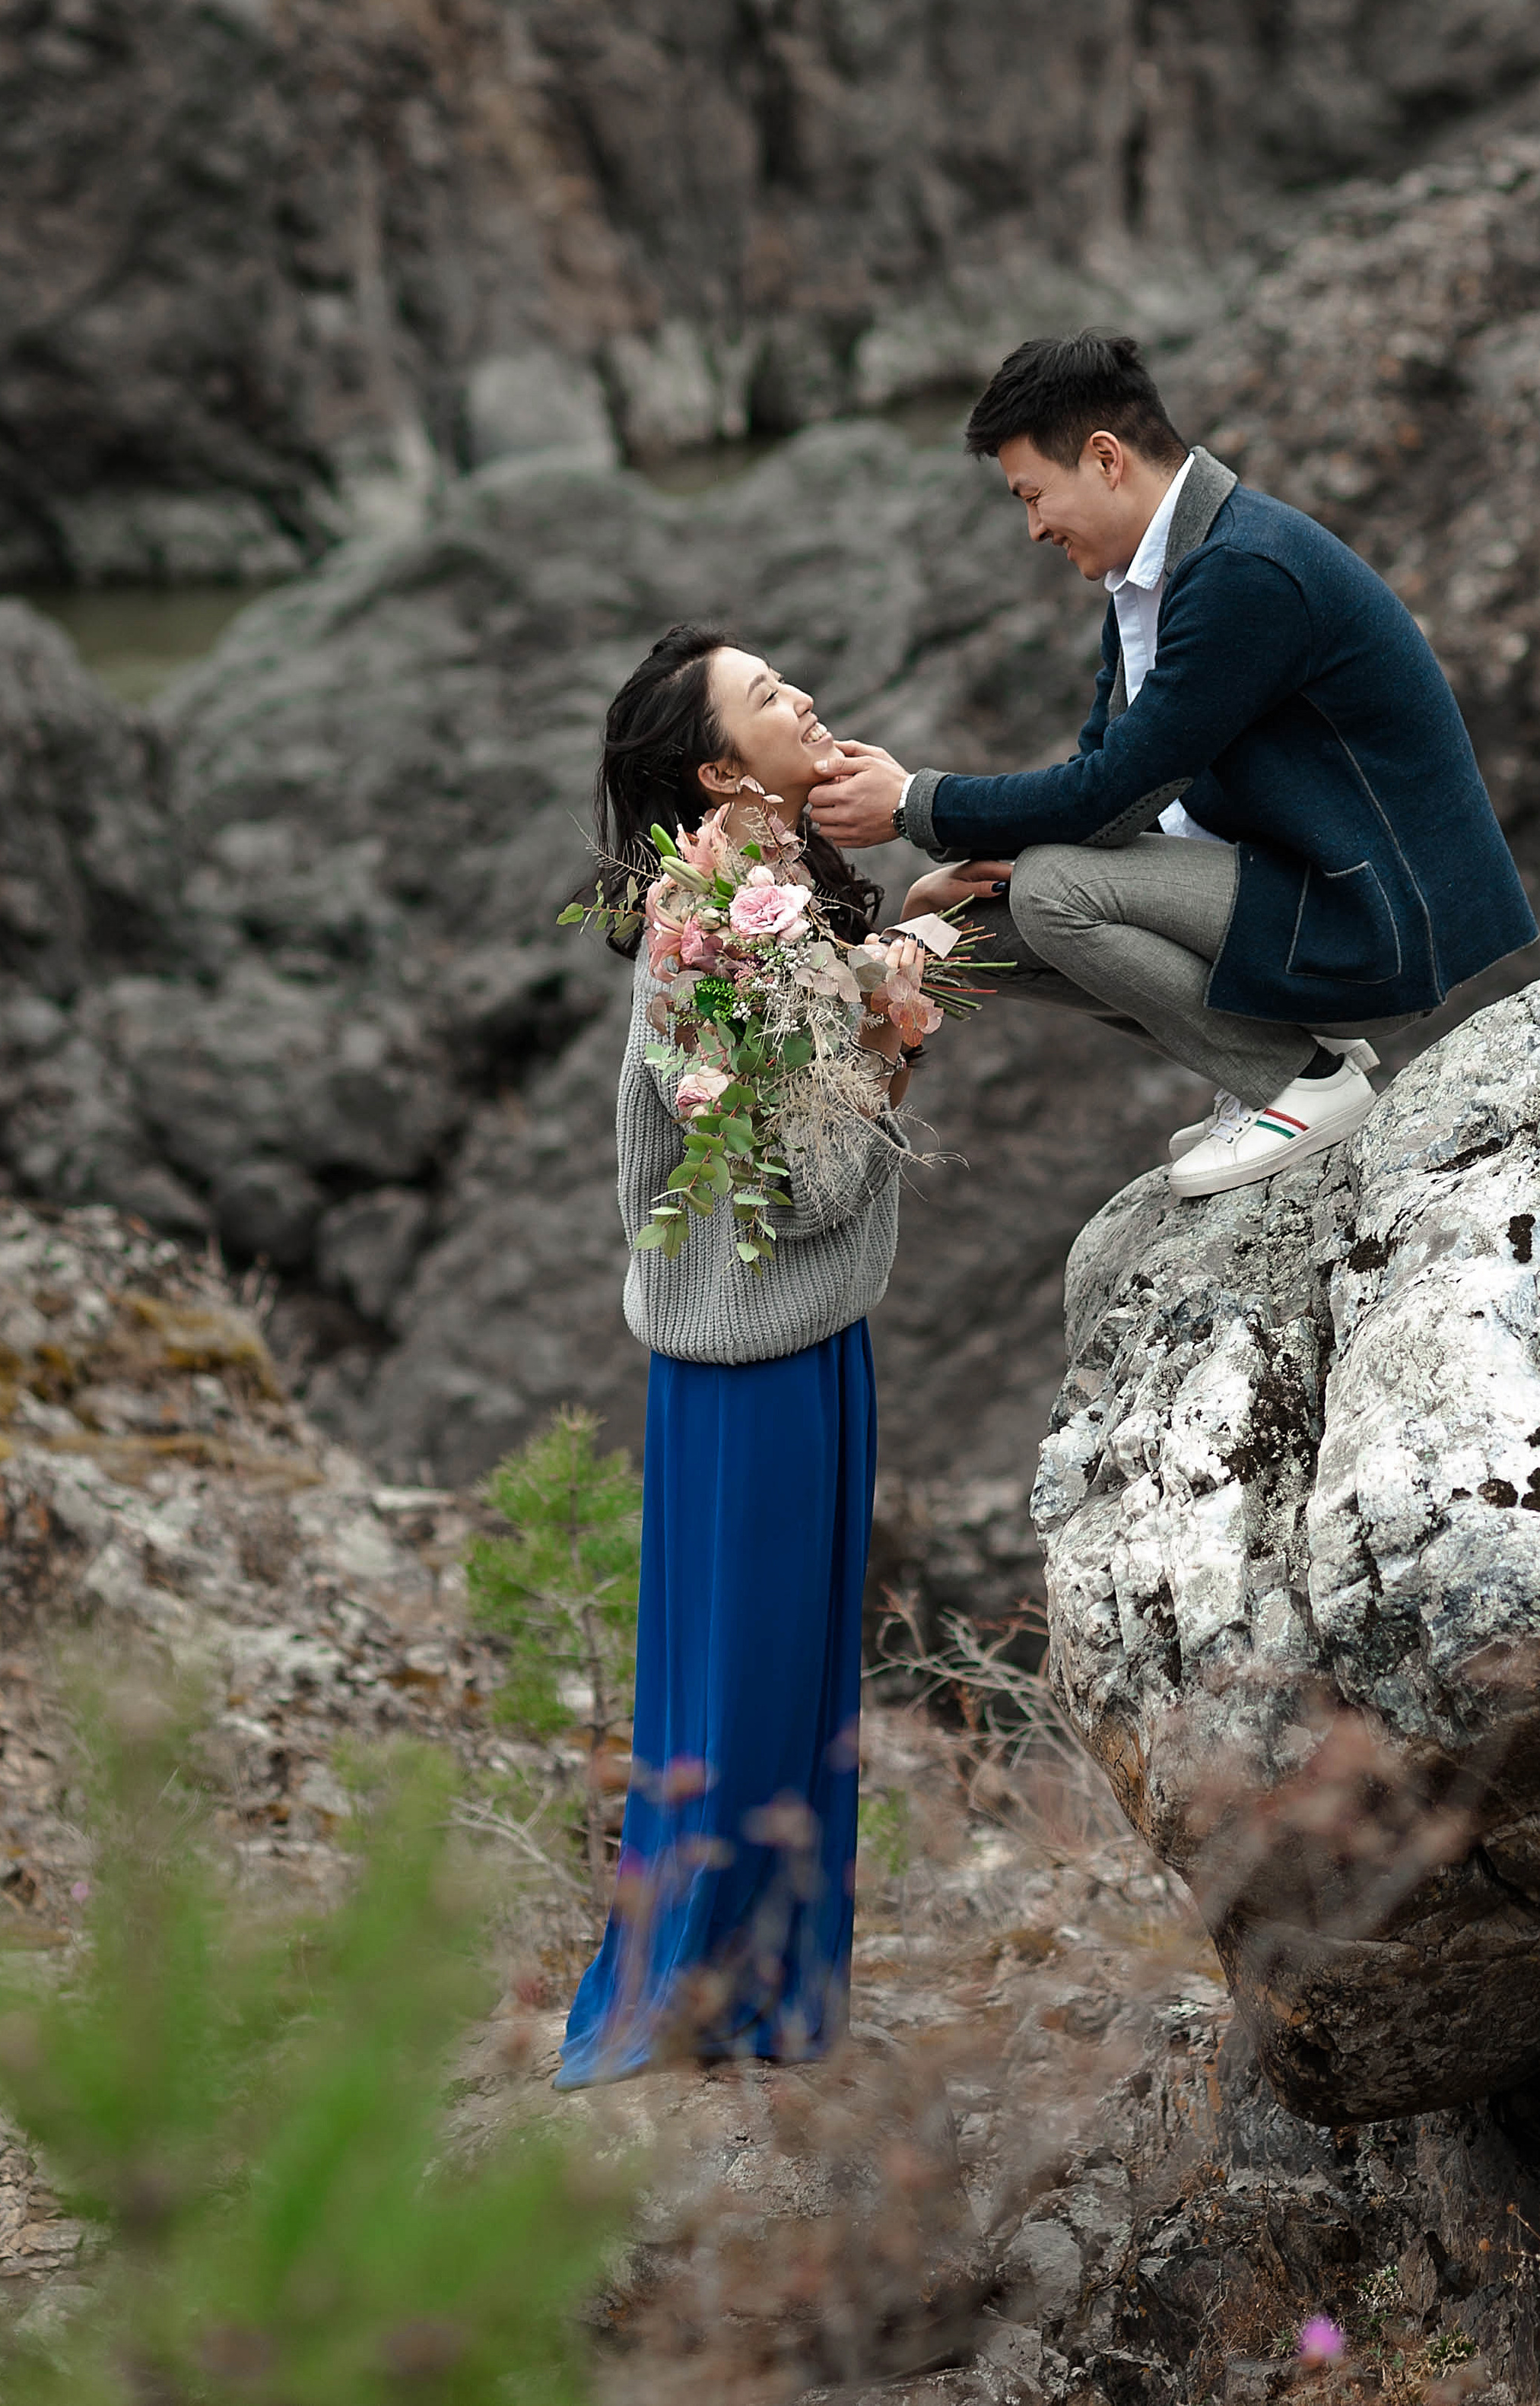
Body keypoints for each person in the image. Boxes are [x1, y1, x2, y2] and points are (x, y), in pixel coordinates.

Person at [808, 332, 1538, 1198]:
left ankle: (1299, 1081)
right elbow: (1105, 777)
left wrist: (913, 805)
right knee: (979, 931)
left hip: (1375, 922)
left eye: (1034, 495)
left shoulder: (1243, 570)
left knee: (1054, 889)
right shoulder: (1152, 578)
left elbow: (1111, 795)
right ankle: (1272, 1064)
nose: (1034, 527)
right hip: (1299, 890)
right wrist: (954, 874)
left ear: (1105, 458)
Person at [556, 623, 945, 2087]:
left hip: (798, 1340)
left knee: (781, 1684)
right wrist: (906, 988)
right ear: (720, 770)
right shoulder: (710, 929)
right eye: (768, 695)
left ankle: (768, 1990)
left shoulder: (762, 893)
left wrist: (903, 949)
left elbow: (816, 1108)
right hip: (750, 1370)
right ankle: (708, 2003)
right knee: (751, 1687)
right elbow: (818, 1174)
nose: (805, 697)